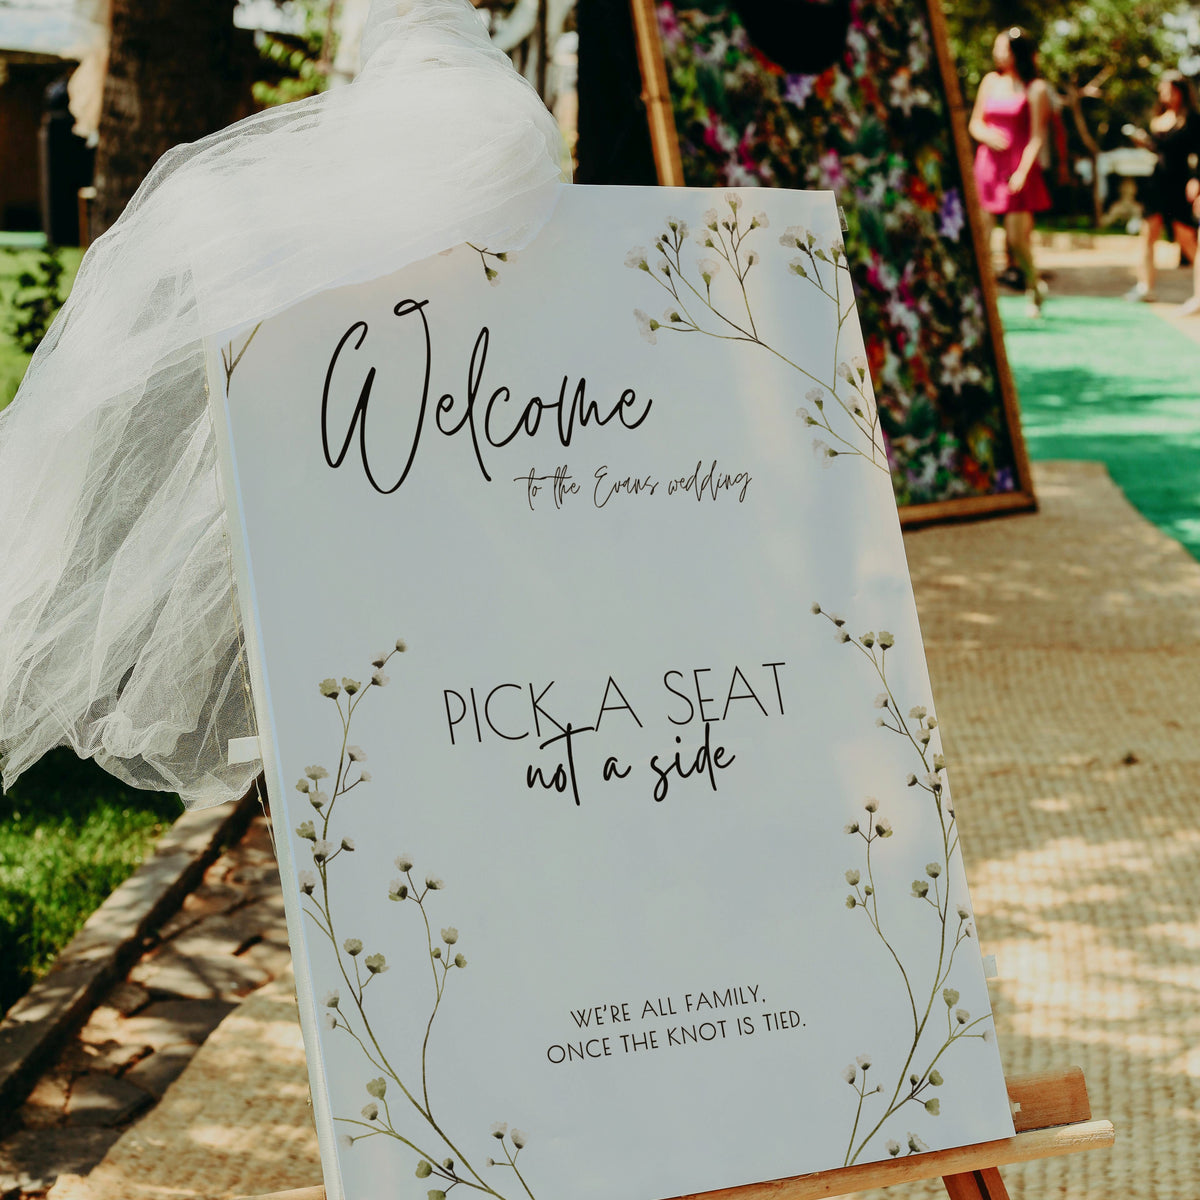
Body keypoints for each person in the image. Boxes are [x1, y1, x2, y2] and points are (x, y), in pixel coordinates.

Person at [969, 27, 1053, 317]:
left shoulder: (1036, 88)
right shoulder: (990, 81)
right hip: (988, 167)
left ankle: (1033, 286)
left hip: (1018, 169)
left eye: (1002, 47)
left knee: (1018, 239)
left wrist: (1022, 172)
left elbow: (1037, 136)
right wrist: (987, 136)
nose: (997, 53)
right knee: (982, 234)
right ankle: (983, 296)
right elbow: (974, 123)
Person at [1124, 72, 1200, 312]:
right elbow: (1159, 149)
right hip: (1156, 181)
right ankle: (1146, 286)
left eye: (1168, 89)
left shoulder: (1193, 119)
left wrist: (1197, 179)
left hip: (1179, 184)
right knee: (1148, 234)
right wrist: (1144, 143)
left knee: (1186, 237)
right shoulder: (1159, 118)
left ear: (1180, 91)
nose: (1163, 94)